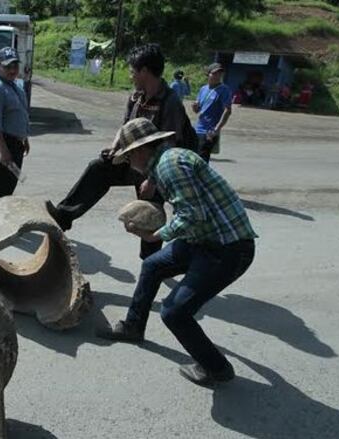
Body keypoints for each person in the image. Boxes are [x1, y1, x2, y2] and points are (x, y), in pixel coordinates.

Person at [96, 118, 257, 386]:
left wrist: (155, 235)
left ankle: (217, 368)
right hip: (202, 239)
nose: (128, 164)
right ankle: (134, 327)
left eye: (127, 158)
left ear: (139, 151)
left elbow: (193, 214)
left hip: (227, 249)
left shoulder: (170, 166)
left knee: (174, 313)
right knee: (152, 266)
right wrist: (151, 179)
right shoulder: (166, 161)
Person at [47, 43, 196, 260]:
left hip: (162, 167)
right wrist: (114, 147)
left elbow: (169, 146)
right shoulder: (136, 96)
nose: (130, 76)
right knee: (99, 167)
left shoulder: (170, 102)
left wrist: (152, 180)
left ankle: (152, 262)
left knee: (149, 212)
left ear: (144, 71)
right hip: (136, 159)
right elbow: (125, 127)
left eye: (132, 71)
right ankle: (62, 216)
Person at [0, 47, 30, 205]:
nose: (12, 70)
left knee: (8, 190)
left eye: (15, 66)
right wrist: (3, 151)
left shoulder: (15, 85)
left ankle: (2, 226)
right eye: (7, 66)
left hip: (15, 144)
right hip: (1, 145)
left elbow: (19, 113)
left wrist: (24, 137)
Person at [192, 62, 233, 162]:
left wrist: (217, 129)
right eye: (214, 73)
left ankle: (202, 177)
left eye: (220, 73)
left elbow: (227, 110)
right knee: (196, 158)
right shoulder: (203, 89)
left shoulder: (224, 90)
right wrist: (194, 107)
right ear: (208, 74)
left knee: (202, 159)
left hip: (210, 131)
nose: (217, 76)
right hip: (198, 129)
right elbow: (197, 111)